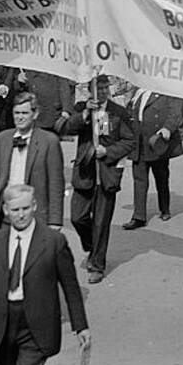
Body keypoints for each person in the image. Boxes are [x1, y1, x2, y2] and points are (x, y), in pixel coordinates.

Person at [0, 184, 90, 365]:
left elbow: (70, 286)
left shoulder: (54, 242)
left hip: (36, 325)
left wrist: (80, 325)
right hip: (3, 323)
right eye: (15, 210)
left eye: (26, 208)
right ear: (6, 210)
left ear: (34, 206)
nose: (21, 215)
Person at [69, 76, 134, 283]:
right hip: (85, 173)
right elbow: (68, 127)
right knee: (77, 217)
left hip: (107, 174)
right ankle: (91, 245)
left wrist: (108, 151)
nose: (103, 91)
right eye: (99, 88)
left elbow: (129, 141)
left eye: (106, 87)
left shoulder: (118, 112)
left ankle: (97, 264)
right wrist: (86, 113)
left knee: (101, 223)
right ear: (90, 90)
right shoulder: (81, 109)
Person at [0, 92, 65, 234]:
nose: (20, 117)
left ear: (35, 114)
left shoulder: (49, 141)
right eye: (17, 113)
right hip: (6, 211)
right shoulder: (2, 139)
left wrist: (55, 220)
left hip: (34, 212)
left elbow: (56, 184)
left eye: (25, 113)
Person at [123, 86, 183, 228]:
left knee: (161, 177)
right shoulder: (138, 91)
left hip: (156, 141)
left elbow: (175, 113)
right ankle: (138, 216)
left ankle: (164, 208)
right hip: (139, 141)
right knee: (139, 179)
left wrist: (167, 128)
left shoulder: (166, 89)